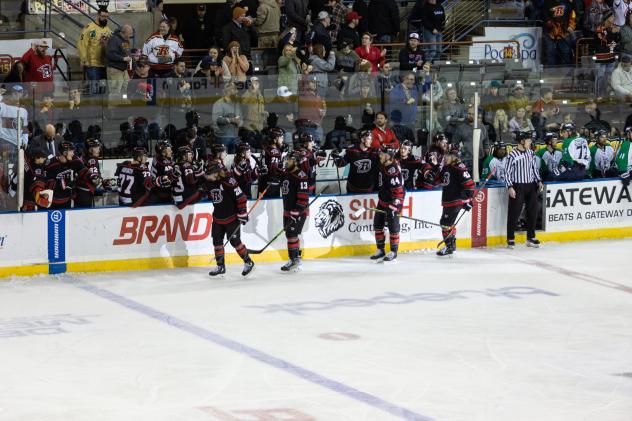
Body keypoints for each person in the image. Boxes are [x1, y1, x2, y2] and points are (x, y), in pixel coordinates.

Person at [204, 162, 255, 277]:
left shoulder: (228, 180)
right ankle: (220, 266)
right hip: (218, 217)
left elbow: (241, 197)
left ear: (216, 173)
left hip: (232, 217)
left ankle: (248, 262)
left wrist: (242, 213)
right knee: (217, 241)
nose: (207, 177)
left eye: (209, 174)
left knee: (235, 242)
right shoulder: (209, 181)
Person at [504, 130, 543, 249]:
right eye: (528, 140)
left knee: (533, 211)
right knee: (514, 212)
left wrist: (539, 180)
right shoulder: (512, 155)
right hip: (518, 186)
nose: (530, 142)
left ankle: (531, 237)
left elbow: (534, 168)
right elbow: (507, 172)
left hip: (530, 185)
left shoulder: (531, 153)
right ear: (522, 141)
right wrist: (510, 187)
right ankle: (510, 238)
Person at [436, 145, 475, 256]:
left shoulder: (459, 168)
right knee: (448, 224)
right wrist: (437, 167)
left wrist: (468, 200)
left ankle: (449, 247)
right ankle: (451, 246)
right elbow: (437, 180)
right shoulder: (446, 166)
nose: (445, 157)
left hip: (455, 201)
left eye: (447, 155)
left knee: (445, 224)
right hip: (448, 200)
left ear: (454, 156)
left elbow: (470, 185)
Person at [371, 146, 404, 263]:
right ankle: (380, 250)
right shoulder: (383, 164)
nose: (380, 155)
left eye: (383, 154)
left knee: (393, 227)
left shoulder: (392, 170)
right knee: (378, 225)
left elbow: (399, 192)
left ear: (389, 157)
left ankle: (393, 252)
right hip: (382, 201)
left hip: (393, 203)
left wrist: (395, 206)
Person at [280, 149, 310, 272]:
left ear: (296, 161)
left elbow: (303, 196)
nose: (287, 161)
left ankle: (294, 261)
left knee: (292, 235)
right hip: (287, 210)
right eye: (286, 159)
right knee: (289, 235)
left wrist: (297, 211)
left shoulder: (301, 175)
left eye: (290, 159)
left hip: (299, 211)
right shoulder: (285, 173)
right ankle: (295, 258)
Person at [45, 141, 90, 209]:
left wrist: (92, 176)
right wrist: (59, 184)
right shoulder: (51, 164)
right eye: (71, 151)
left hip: (67, 200)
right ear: (65, 152)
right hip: (52, 202)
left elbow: (84, 172)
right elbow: (46, 183)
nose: (73, 153)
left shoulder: (75, 161)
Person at [332, 129, 379, 193]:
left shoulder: (374, 151)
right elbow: (340, 164)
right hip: (353, 187)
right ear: (362, 139)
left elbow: (384, 162)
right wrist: (335, 156)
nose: (371, 141)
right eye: (369, 139)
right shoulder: (352, 150)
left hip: (369, 187)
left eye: (371, 139)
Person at [78, 7, 111, 94]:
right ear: (98, 15)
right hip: (92, 65)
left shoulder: (107, 29)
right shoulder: (89, 28)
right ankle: (94, 106)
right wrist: (84, 60)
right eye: (103, 16)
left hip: (104, 64)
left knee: (103, 88)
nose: (105, 18)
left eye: (107, 17)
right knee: (94, 89)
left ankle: (103, 106)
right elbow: (81, 44)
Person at [594, 12, 621, 98]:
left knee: (609, 76)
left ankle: (608, 94)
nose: (614, 18)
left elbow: (617, 40)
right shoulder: (599, 29)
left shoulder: (612, 28)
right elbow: (603, 41)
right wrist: (613, 33)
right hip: (602, 58)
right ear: (607, 18)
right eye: (612, 17)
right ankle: (599, 95)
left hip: (611, 56)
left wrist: (617, 33)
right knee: (600, 77)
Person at [212, 83, 243, 154]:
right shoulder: (218, 103)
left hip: (235, 137)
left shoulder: (237, 104)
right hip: (222, 138)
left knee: (233, 162)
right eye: (234, 89)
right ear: (227, 91)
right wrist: (231, 120)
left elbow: (241, 119)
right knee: (223, 161)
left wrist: (239, 122)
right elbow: (216, 119)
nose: (237, 91)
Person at [543, 0, 576, 65]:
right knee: (550, 53)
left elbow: (573, 16)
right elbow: (544, 16)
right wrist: (547, 22)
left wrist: (571, 27)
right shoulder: (547, 3)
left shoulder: (568, 3)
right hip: (550, 33)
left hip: (565, 33)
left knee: (566, 53)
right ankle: (551, 73)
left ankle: (566, 72)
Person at [75, 138, 104, 208]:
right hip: (85, 193)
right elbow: (95, 179)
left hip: (80, 192)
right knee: (85, 217)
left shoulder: (83, 157)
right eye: (96, 147)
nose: (98, 149)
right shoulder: (92, 160)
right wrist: (103, 182)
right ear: (90, 149)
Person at [106, 25, 133, 98]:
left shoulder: (126, 40)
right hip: (115, 69)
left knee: (124, 90)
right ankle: (113, 108)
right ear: (123, 32)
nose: (130, 36)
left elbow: (127, 53)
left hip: (123, 70)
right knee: (115, 92)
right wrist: (123, 58)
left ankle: (122, 106)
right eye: (129, 34)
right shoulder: (114, 39)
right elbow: (110, 54)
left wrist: (132, 58)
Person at [259, 127, 285, 198]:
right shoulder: (274, 151)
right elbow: (274, 170)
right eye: (281, 138)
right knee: (272, 207)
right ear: (275, 139)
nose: (282, 140)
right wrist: (284, 172)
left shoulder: (266, 149)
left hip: (263, 182)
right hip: (271, 183)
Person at [149, 140, 176, 204]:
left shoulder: (157, 158)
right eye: (169, 150)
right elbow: (171, 178)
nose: (171, 151)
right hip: (161, 195)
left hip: (155, 191)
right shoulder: (163, 163)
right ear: (163, 152)